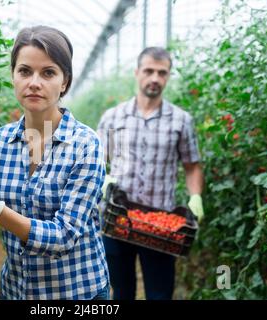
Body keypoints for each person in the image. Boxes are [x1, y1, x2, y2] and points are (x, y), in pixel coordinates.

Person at [0, 26, 109, 300]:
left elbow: (64, 236)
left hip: (77, 293)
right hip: (17, 290)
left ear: (64, 82)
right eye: (25, 71)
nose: (34, 82)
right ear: (14, 76)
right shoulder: (0, 142)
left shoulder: (85, 144)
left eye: (48, 72)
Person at [97, 47, 204, 300]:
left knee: (159, 293)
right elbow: (98, 161)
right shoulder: (113, 117)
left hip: (160, 224)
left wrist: (195, 196)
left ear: (167, 77)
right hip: (116, 218)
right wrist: (103, 179)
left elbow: (192, 165)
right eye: (149, 71)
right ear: (137, 73)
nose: (155, 78)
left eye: (161, 73)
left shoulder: (180, 120)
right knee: (121, 292)